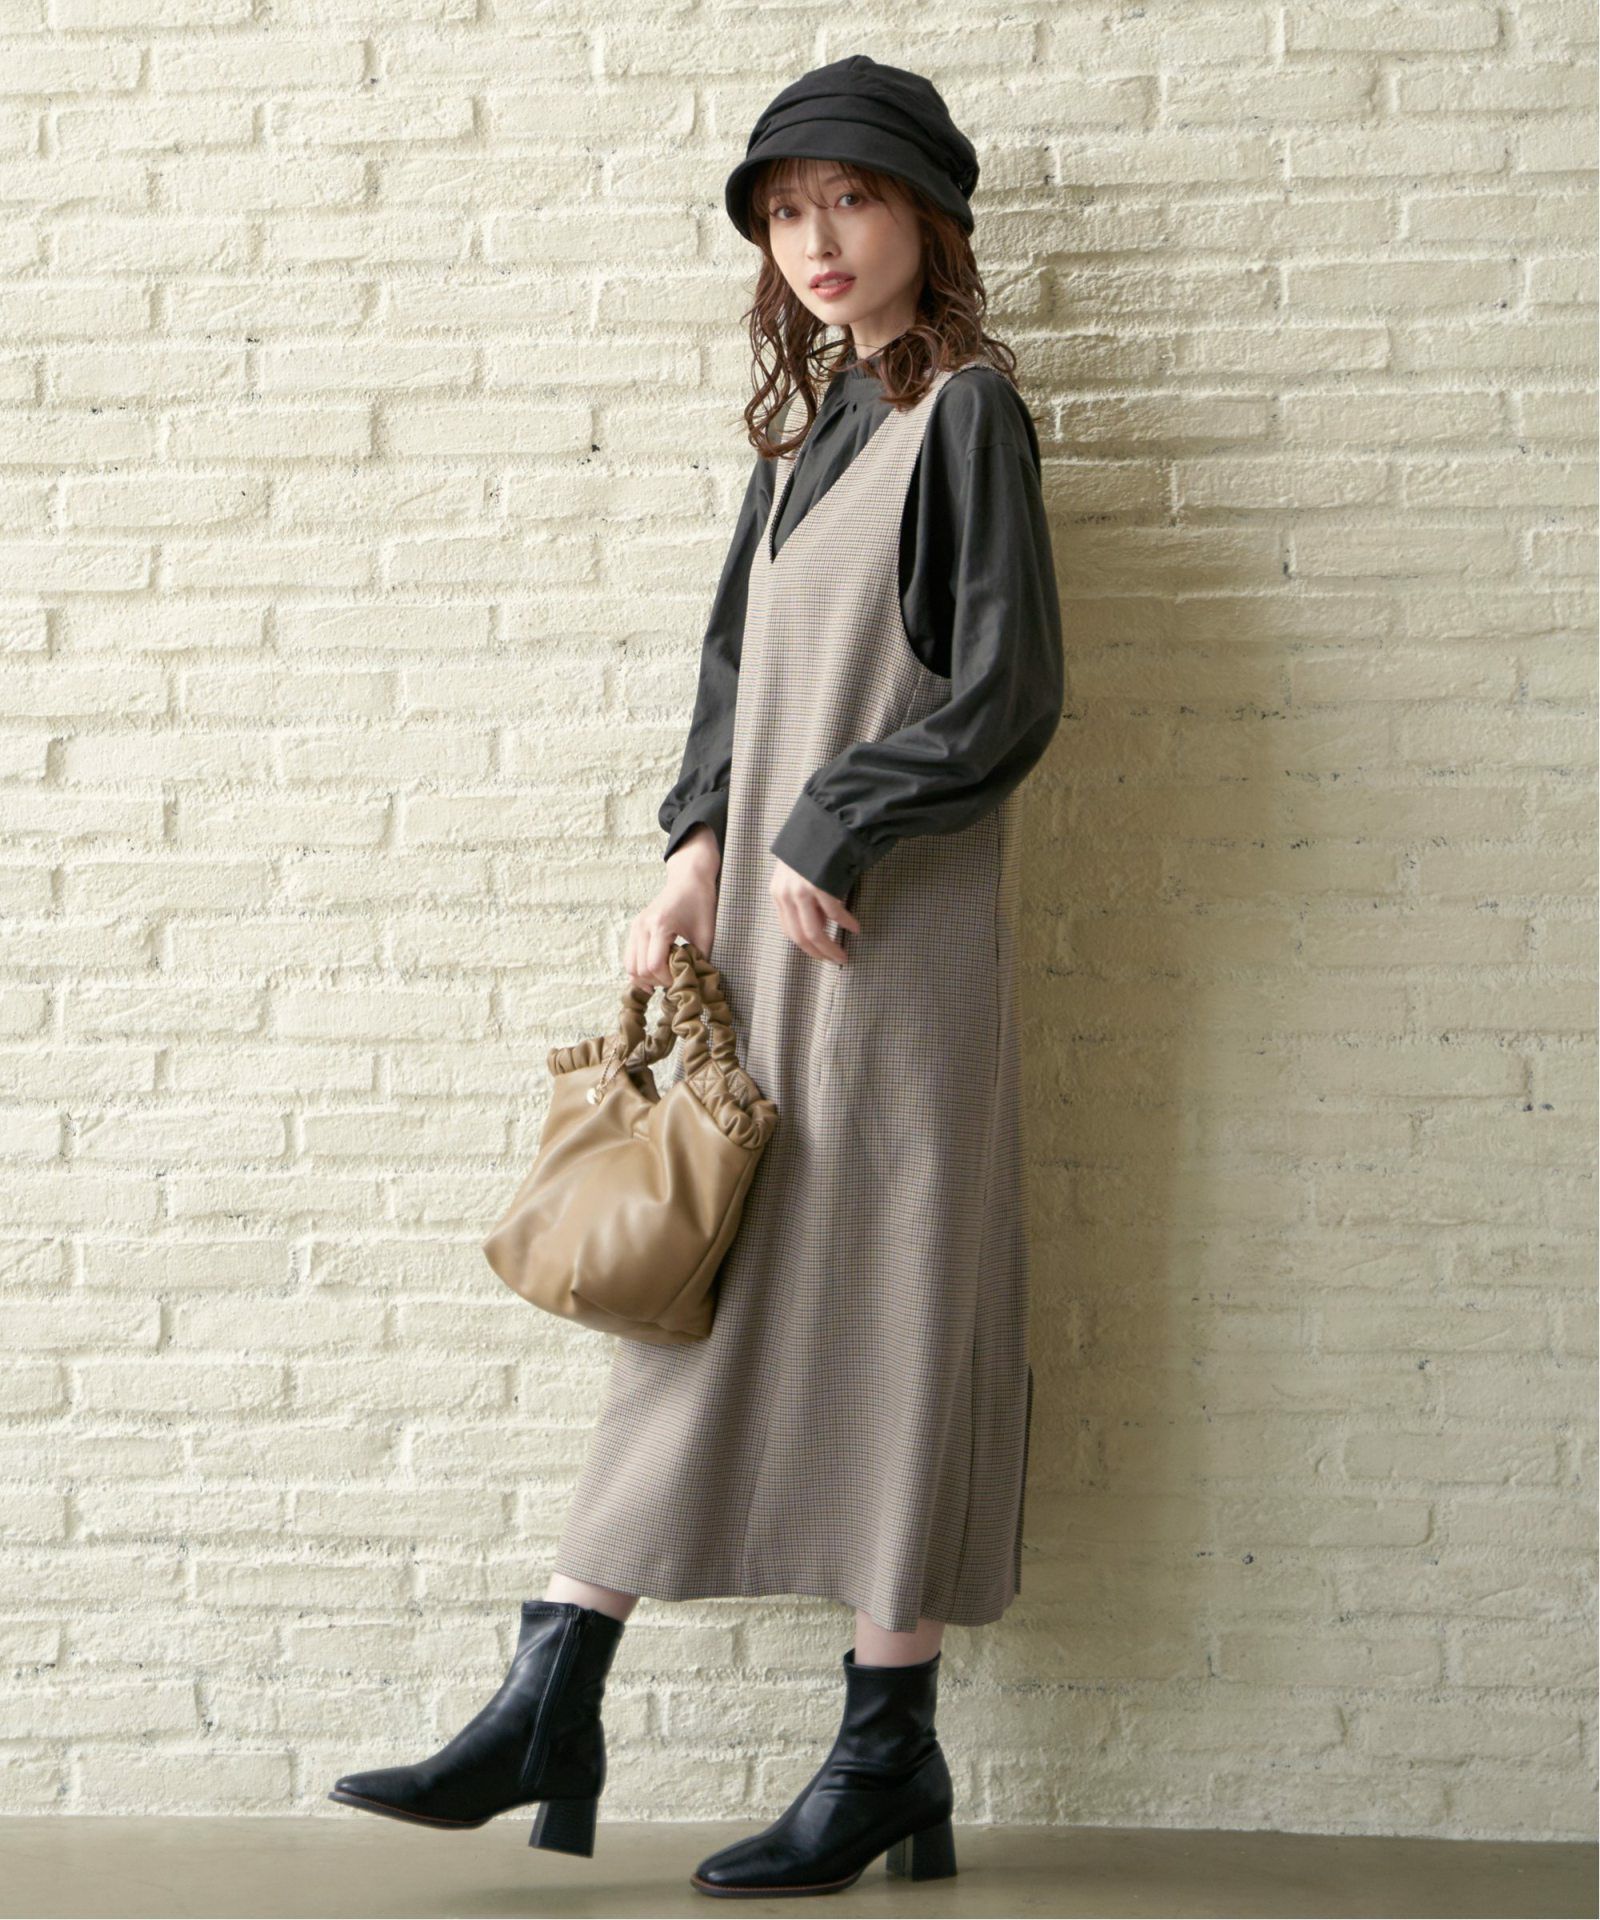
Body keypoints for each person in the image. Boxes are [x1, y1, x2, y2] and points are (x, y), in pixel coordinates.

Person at [327, 53, 1064, 1899]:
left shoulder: (970, 416)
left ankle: (871, 1742)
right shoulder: (802, 439)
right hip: (769, 940)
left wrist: (841, 820)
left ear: (926, 219)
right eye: (788, 211)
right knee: (704, 1290)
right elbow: (734, 680)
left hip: (891, 949)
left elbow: (1007, 693)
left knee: (894, 1306)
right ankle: (558, 1683)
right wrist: (692, 853)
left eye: (853, 200)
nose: (819, 240)